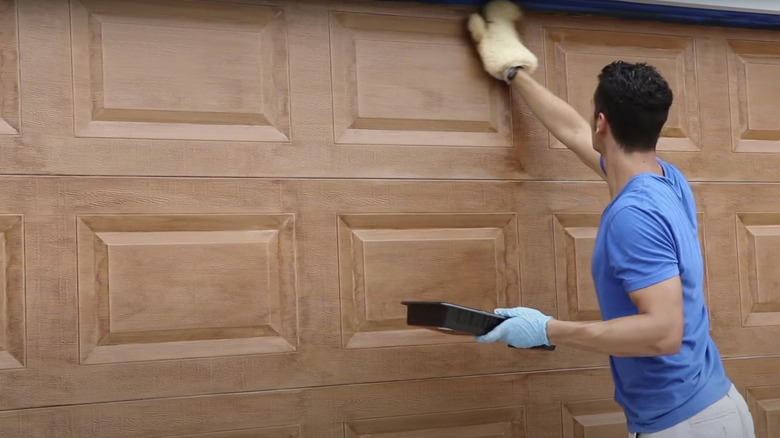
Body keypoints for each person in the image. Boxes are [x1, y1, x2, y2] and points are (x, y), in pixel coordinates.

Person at [466, 4, 756, 438]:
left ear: (602, 122)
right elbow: (571, 129)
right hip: (711, 408)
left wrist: (547, 329)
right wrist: (513, 70)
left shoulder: (632, 215)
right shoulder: (666, 181)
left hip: (685, 426)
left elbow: (663, 333)